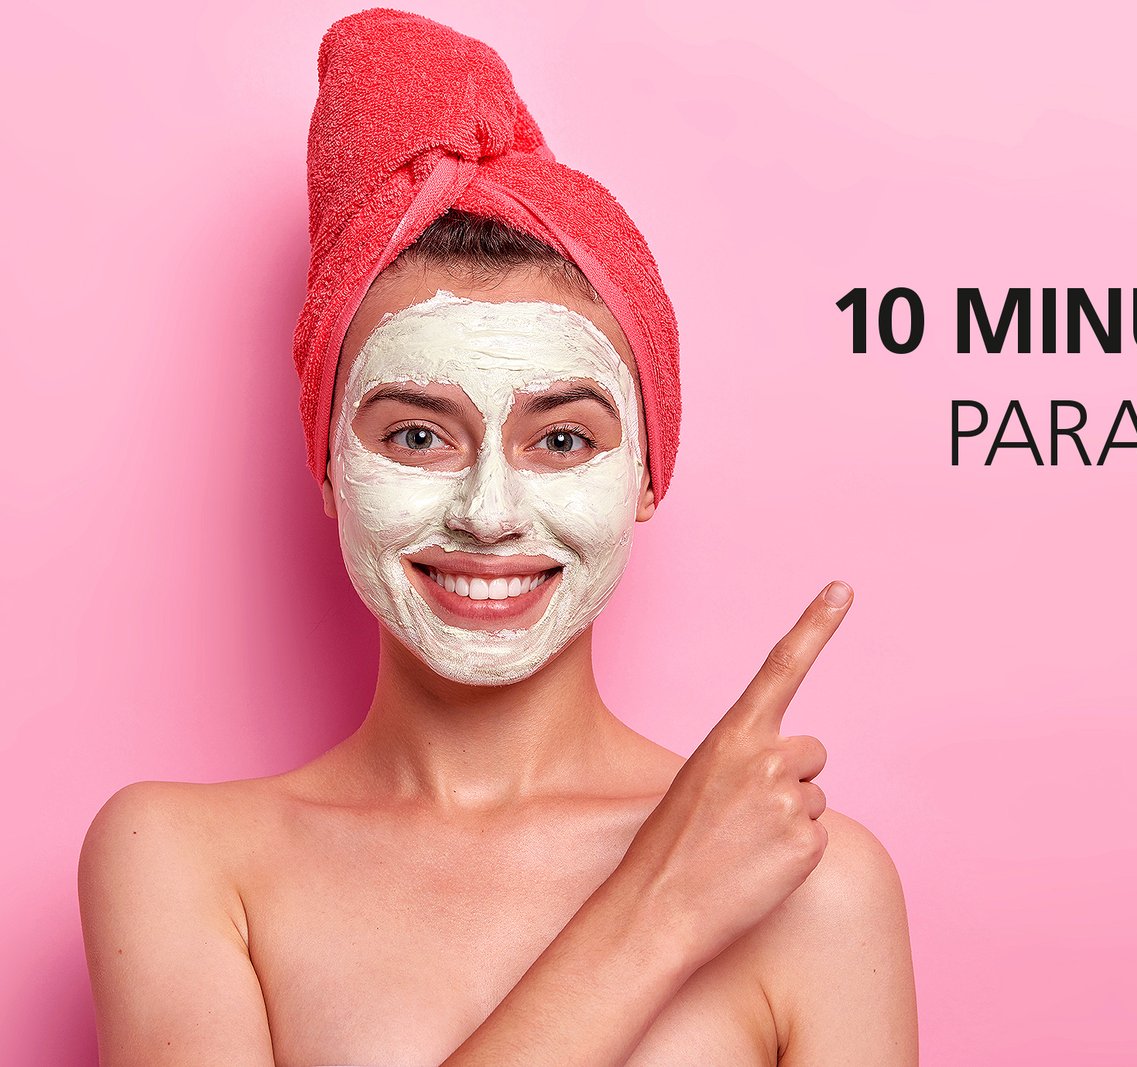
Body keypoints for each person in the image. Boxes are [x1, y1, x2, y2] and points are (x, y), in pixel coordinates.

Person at [76, 11, 916, 1067]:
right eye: (418, 433)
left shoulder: (813, 881)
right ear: (329, 465)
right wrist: (652, 913)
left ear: (649, 472)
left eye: (561, 436)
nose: (487, 509)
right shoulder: (183, 862)